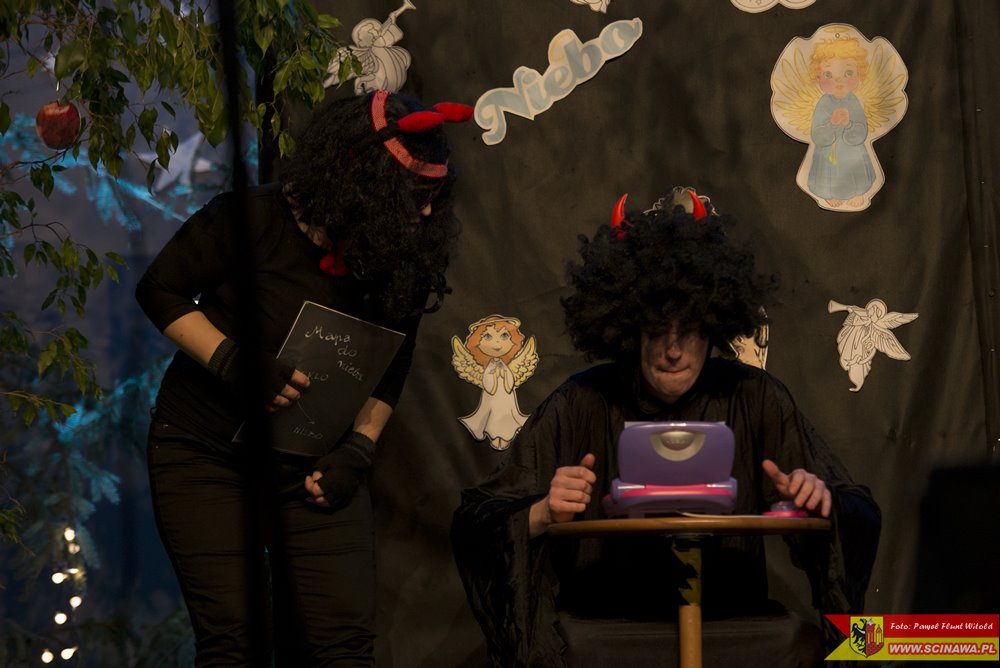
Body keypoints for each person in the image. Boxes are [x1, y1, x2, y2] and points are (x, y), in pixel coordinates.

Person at [451, 187, 881, 666]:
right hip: (606, 629)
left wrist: (820, 503)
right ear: (630, 328)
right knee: (563, 653)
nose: (672, 350)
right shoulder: (581, 401)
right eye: (656, 331)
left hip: (731, 625)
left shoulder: (755, 397)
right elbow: (476, 522)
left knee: (805, 645)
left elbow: (859, 510)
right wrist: (540, 513)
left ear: (713, 327)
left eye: (689, 330)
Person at [136, 89, 471, 666]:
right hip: (205, 456)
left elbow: (391, 364)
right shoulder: (253, 219)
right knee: (235, 643)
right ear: (365, 183)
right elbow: (159, 289)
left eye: (433, 198)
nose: (424, 214)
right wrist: (234, 362)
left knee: (345, 650)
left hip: (311, 468)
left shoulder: (404, 258)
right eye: (415, 196)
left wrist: (359, 450)